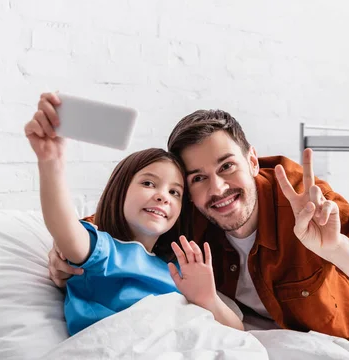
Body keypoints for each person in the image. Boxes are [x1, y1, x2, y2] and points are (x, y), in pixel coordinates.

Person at [48, 108, 349, 359]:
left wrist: (336, 247)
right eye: (198, 178)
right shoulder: (191, 211)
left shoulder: (303, 198)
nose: (217, 189)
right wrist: (67, 250)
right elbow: (128, 216)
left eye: (226, 167)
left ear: (251, 159)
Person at [26, 93, 243, 335]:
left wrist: (209, 299)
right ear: (120, 191)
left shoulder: (179, 272)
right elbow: (64, 228)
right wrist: (51, 162)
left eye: (175, 192)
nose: (163, 196)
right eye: (149, 184)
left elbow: (238, 330)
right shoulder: (104, 253)